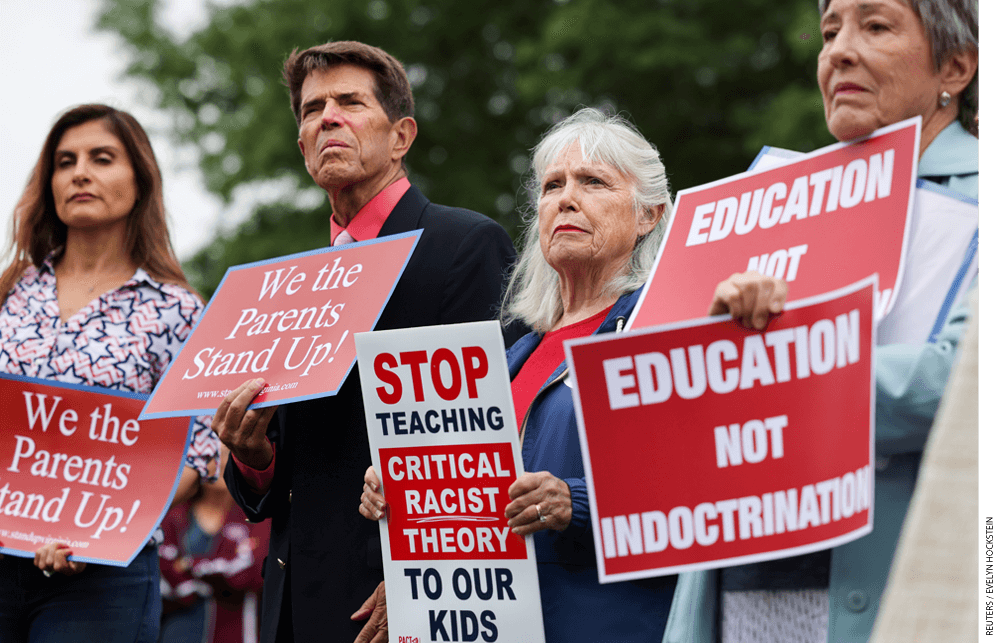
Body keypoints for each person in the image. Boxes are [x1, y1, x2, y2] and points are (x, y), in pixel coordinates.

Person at [664, 1, 979, 642]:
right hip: (739, 591)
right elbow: (674, 406)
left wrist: (773, 367)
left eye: (877, 25)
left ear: (956, 64)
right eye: (830, 30)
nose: (838, 50)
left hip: (897, 584)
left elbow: (961, 381)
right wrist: (715, 342)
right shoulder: (767, 207)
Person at [211, 41, 520, 643]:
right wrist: (254, 460)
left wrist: (421, 577)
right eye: (311, 109)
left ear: (401, 135)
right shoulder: (289, 284)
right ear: (302, 146)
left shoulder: (464, 245)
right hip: (292, 605)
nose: (327, 117)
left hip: (403, 602)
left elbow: (483, 441)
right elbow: (285, 470)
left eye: (350, 102)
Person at [360, 107, 678, 643]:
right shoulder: (513, 354)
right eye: (553, 185)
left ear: (649, 214)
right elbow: (471, 502)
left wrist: (575, 502)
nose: (566, 199)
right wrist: (406, 497)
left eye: (593, 182)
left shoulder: (663, 327)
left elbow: (704, 489)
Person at [0, 104, 219, 642]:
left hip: (106, 581)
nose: (80, 172)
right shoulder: (10, 291)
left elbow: (201, 450)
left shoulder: (179, 309)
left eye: (102, 158)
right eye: (65, 161)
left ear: (139, 180)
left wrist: (93, 528)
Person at [158, 447, 269, 643]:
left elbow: (252, 574)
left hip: (236, 633)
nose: (222, 462)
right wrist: (213, 574)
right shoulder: (173, 514)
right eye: (212, 456)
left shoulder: (254, 516)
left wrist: (188, 565)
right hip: (178, 632)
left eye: (229, 455)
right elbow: (161, 569)